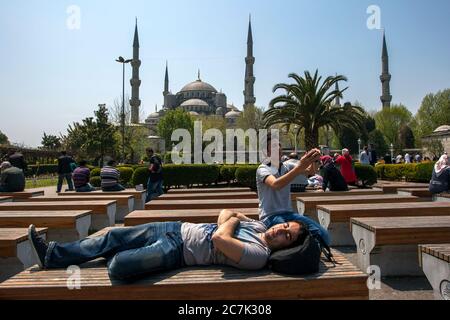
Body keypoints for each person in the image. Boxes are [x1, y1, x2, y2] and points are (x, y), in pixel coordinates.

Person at [27, 208, 305, 280]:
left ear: (286, 246)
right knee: (111, 236)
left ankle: (115, 254)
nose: (280, 229)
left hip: (178, 251)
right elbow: (224, 213)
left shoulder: (258, 255)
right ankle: (52, 254)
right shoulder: (258, 227)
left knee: (119, 267)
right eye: (284, 226)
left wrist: (231, 223)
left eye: (287, 235)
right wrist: (229, 221)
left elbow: (221, 236)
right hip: (174, 227)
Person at [255, 135, 330, 245]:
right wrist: (299, 167)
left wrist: (313, 159)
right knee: (288, 239)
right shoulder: (263, 169)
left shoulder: (286, 166)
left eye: (279, 145)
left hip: (289, 214)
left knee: (323, 235)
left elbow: (310, 172)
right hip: (270, 216)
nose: (279, 148)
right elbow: (276, 184)